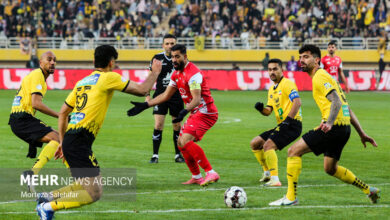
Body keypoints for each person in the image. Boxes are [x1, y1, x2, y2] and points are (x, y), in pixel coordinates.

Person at [35, 45, 162, 219]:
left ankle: (47, 197)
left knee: (85, 184)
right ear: (111, 62)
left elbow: (63, 113)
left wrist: (63, 143)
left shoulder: (82, 82)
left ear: (94, 61)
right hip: (80, 140)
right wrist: (154, 72)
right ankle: (48, 207)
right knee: (94, 193)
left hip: (73, 139)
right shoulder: (108, 77)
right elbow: (142, 90)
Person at [269, 45, 380, 206]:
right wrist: (361, 133)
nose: (301, 60)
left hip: (333, 127)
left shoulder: (319, 76)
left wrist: (328, 122)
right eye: (300, 57)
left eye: (306, 57)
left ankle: (291, 198)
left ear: (317, 60)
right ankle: (369, 190)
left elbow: (335, 100)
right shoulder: (327, 77)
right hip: (344, 128)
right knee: (330, 168)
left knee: (293, 151)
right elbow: (345, 106)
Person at [127, 44, 220, 186]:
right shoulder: (176, 73)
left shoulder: (193, 74)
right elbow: (165, 95)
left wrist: (183, 112)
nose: (174, 60)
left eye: (177, 57)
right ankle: (196, 176)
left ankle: (210, 172)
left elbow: (196, 99)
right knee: (181, 143)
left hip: (206, 112)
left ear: (185, 56)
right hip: (196, 112)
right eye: (172, 57)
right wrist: (146, 105)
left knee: (186, 141)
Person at [9, 51, 66, 193]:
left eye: (54, 60)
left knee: (58, 139)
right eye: (49, 59)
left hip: (21, 119)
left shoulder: (38, 77)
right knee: (60, 138)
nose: (53, 62)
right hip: (22, 118)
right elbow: (36, 104)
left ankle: (32, 174)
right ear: (41, 63)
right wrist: (60, 115)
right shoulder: (37, 75)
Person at [251, 58, 302, 187]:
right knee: (255, 143)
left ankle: (275, 179)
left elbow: (297, 102)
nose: (272, 72)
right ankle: (267, 173)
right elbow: (268, 111)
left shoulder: (287, 84)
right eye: (270, 69)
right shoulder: (272, 89)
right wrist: (261, 109)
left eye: (275, 69)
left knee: (268, 146)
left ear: (281, 70)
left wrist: (288, 120)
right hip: (283, 124)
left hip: (292, 124)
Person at [146, 34, 185, 163]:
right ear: (163, 45)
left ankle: (178, 155)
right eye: (167, 43)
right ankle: (155, 155)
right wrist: (147, 95)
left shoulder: (180, 59)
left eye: (172, 43)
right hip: (160, 96)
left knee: (177, 126)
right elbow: (150, 78)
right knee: (158, 124)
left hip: (176, 96)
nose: (170, 46)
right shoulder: (157, 58)